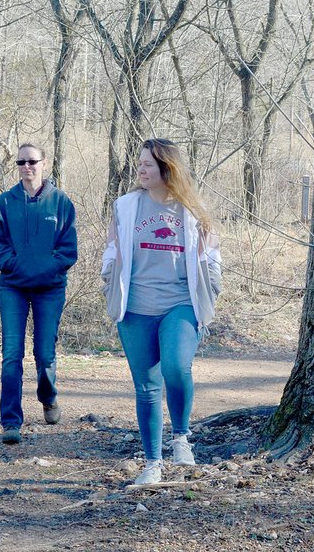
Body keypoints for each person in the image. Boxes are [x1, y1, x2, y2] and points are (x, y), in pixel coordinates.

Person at [101, 138, 222, 485]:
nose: (140, 169)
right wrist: (108, 279)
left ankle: (181, 438)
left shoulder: (193, 212)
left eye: (148, 164)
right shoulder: (126, 206)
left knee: (175, 366)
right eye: (139, 163)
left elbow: (212, 260)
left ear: (167, 169)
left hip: (180, 304)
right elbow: (111, 249)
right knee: (147, 387)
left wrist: (210, 291)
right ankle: (152, 464)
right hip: (135, 307)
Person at [0, 143, 78, 444]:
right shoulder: (6, 202)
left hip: (50, 288)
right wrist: (12, 264)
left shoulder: (61, 202)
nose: (27, 167)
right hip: (13, 285)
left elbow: (68, 249)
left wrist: (47, 268)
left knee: (44, 353)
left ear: (44, 163)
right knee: (11, 354)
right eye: (21, 162)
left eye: (32, 161)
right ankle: (10, 421)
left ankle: (48, 396)